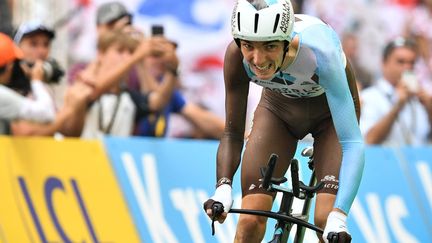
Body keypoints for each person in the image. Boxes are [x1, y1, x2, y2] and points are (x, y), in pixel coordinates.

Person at [203, 1, 364, 242]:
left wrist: (339, 216)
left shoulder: (320, 53)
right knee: (249, 221)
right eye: (249, 45)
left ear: (286, 40)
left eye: (270, 46)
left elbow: (352, 142)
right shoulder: (236, 56)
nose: (258, 59)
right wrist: (223, 187)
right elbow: (232, 133)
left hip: (329, 117)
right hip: (278, 110)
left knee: (324, 222)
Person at [360, 37, 432, 145]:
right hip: (384, 161)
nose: (407, 67)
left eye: (412, 63)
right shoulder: (369, 97)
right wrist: (397, 106)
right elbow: (369, 140)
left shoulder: (420, 98)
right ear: (384, 63)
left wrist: (429, 108)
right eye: (401, 62)